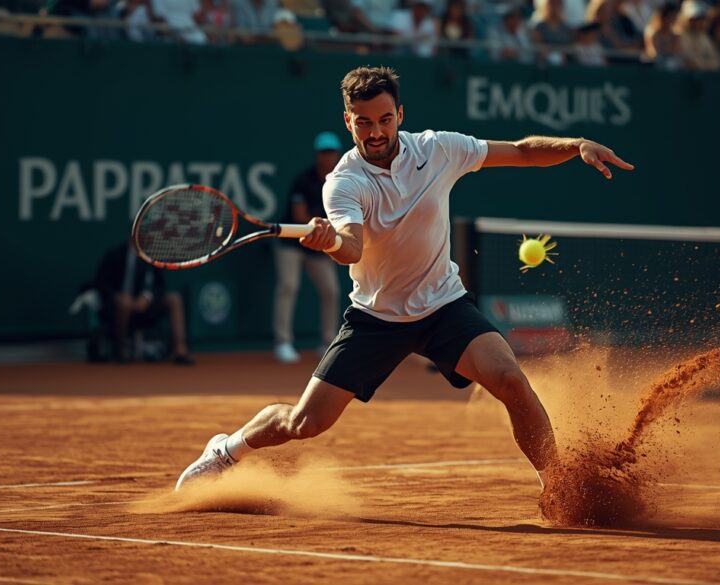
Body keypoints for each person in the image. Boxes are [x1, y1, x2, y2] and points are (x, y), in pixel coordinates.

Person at [174, 67, 634, 506]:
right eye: (364, 123)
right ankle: (225, 450)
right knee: (304, 422)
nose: (376, 132)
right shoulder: (343, 182)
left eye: (385, 119)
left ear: (401, 115)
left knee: (511, 379)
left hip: (444, 307)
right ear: (347, 121)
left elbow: (522, 150)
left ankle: (559, 485)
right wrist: (329, 242)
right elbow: (352, 247)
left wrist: (575, 145)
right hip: (377, 318)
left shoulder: (439, 150)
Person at [272, 132, 344, 365]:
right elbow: (300, 217)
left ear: (337, 154)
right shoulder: (302, 180)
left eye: (331, 152)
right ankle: (283, 342)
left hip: (319, 245)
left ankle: (327, 342)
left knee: (331, 291)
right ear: (317, 155)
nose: (328, 156)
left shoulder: (342, 182)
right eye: (324, 152)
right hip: (292, 244)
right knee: (289, 286)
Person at [95, 241, 195, 365]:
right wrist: (118, 297)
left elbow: (159, 286)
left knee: (174, 299)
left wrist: (146, 298)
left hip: (144, 308)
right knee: (124, 303)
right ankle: (121, 351)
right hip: (118, 308)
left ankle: (180, 349)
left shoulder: (151, 257)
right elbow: (101, 284)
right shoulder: (115, 254)